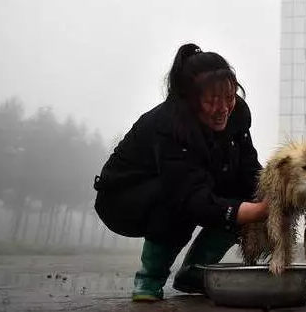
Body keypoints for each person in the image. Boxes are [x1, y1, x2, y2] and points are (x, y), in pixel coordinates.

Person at [93, 43, 267, 302]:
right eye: (212, 101)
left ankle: (194, 274)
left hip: (189, 185)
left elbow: (249, 169)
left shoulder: (237, 116)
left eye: (229, 98)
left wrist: (274, 193)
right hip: (125, 200)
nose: (223, 108)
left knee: (251, 194)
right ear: (190, 99)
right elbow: (188, 196)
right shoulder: (169, 125)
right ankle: (150, 279)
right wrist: (255, 211)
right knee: (177, 198)